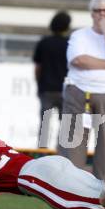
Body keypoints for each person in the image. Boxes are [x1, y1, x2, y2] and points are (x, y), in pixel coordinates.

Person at [57, 0, 105, 185]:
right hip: (79, 92)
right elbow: (78, 60)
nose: (102, 14)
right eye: (98, 10)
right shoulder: (79, 35)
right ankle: (67, 196)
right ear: (91, 13)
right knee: (71, 146)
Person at [33, 11, 71, 147]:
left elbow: (38, 68)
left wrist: (39, 85)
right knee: (65, 123)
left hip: (47, 89)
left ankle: (42, 151)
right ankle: (61, 152)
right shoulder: (70, 44)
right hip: (65, 90)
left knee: (45, 123)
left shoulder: (44, 43)